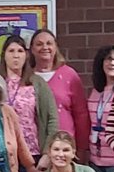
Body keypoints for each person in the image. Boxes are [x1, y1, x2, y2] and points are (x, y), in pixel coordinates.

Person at [0, 34, 58, 172]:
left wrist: (47, 153)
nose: (16, 56)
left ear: (26, 55)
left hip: (33, 153)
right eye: (11, 51)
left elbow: (52, 118)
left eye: (20, 51)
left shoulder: (36, 83)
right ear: (4, 55)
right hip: (3, 153)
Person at [30, 29, 91, 160]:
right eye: (39, 44)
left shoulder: (69, 75)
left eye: (49, 43)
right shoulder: (26, 78)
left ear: (55, 47)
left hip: (65, 149)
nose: (45, 47)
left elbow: (81, 114)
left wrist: (81, 148)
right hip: (34, 149)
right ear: (32, 49)